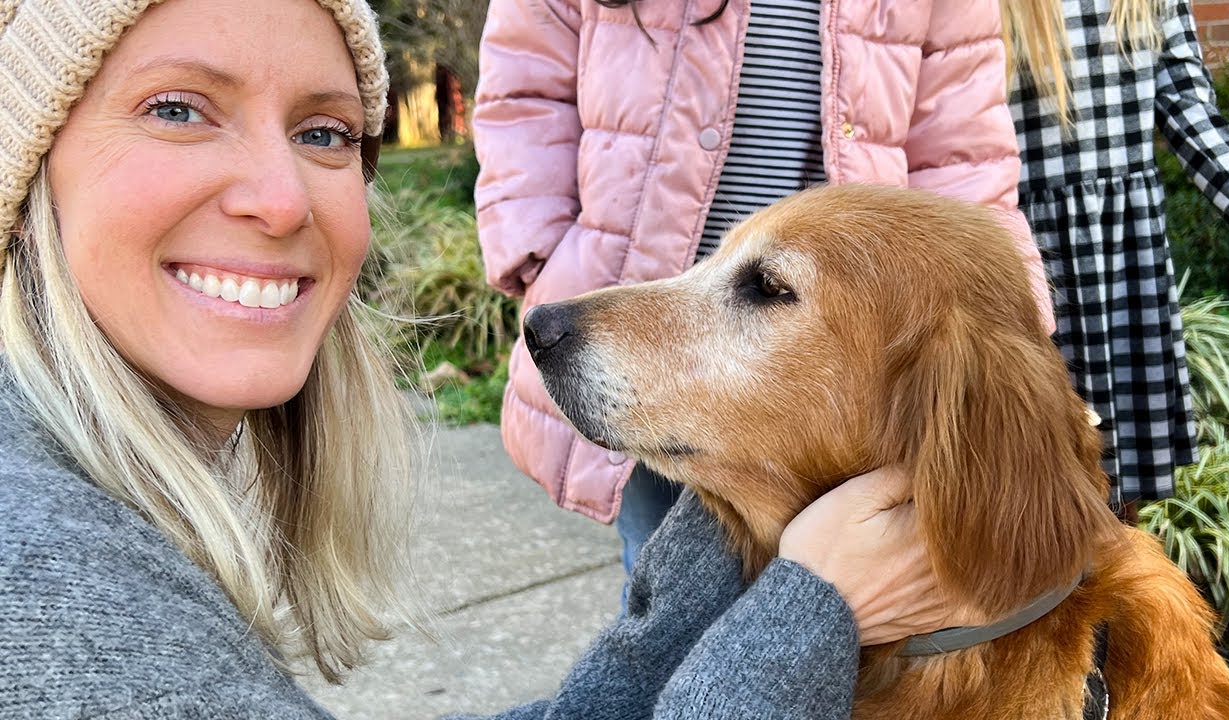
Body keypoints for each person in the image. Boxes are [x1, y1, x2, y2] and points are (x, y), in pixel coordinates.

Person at [0, 0, 962, 716]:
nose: (282, 201)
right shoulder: (53, 586)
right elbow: (523, 93)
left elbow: (963, 145)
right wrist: (802, 615)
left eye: (326, 133)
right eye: (176, 109)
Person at [473, 0, 1057, 587]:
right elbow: (522, 92)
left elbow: (963, 159)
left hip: (853, 362)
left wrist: (1008, 345)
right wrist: (540, 251)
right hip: (644, 290)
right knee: (666, 596)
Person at [1003, 0, 1229, 515]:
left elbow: (1195, 119)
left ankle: (1119, 590)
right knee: (1023, 484)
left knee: (1119, 493)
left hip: (1120, 264)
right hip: (1018, 255)